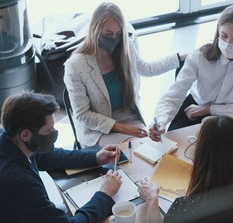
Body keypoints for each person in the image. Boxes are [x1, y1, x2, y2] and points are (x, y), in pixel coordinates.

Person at [0, 92, 122, 223]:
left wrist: (94, 157)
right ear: (25, 134)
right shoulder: (17, 181)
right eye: (49, 129)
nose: (54, 132)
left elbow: (42, 156)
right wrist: (104, 194)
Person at [64, 2, 186, 148]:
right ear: (94, 30)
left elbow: (148, 69)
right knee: (134, 152)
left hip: (129, 117)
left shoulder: (124, 46)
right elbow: (83, 114)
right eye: (108, 34)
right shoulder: (76, 65)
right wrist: (123, 129)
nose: (114, 39)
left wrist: (182, 57)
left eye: (118, 34)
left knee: (151, 149)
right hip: (97, 131)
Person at [149, 4, 233, 138]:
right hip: (194, 109)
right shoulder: (199, 56)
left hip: (232, 115)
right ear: (218, 32)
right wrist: (161, 120)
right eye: (224, 36)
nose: (228, 44)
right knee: (173, 147)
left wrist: (210, 109)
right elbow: (174, 94)